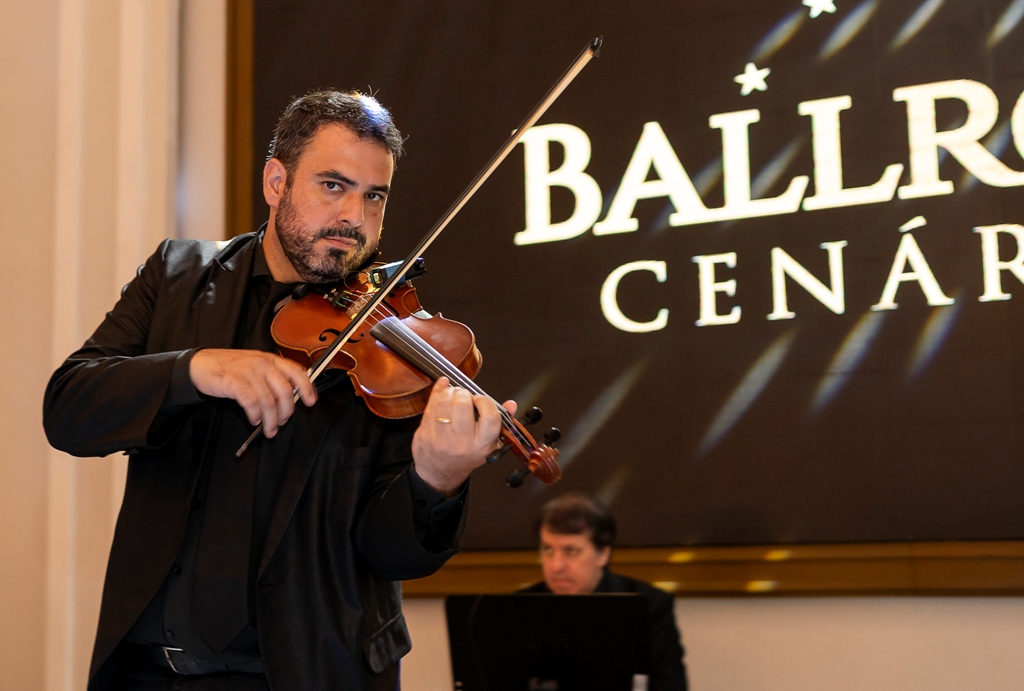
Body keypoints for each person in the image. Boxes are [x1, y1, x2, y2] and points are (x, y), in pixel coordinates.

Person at [43, 90, 514, 691]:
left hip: (307, 674)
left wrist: (436, 479)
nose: (354, 217)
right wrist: (194, 369)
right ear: (275, 182)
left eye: (374, 196)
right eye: (333, 186)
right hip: (149, 673)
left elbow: (390, 555)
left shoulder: (391, 345)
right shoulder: (176, 278)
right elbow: (69, 409)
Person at [520, 493, 689, 691]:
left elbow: (671, 685)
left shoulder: (648, 605)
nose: (556, 566)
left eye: (571, 551)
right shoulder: (521, 606)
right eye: (548, 550)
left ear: (603, 554)